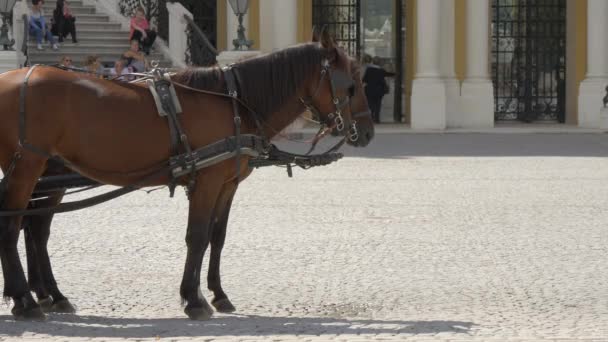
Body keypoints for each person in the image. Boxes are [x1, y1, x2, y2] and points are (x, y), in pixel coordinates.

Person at [362, 56, 392, 123]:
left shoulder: (369, 70)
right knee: (378, 105)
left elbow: (364, 80)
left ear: (373, 62)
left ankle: (371, 117)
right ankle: (377, 119)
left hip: (369, 90)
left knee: (370, 105)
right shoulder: (381, 70)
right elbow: (388, 75)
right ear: (380, 63)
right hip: (379, 90)